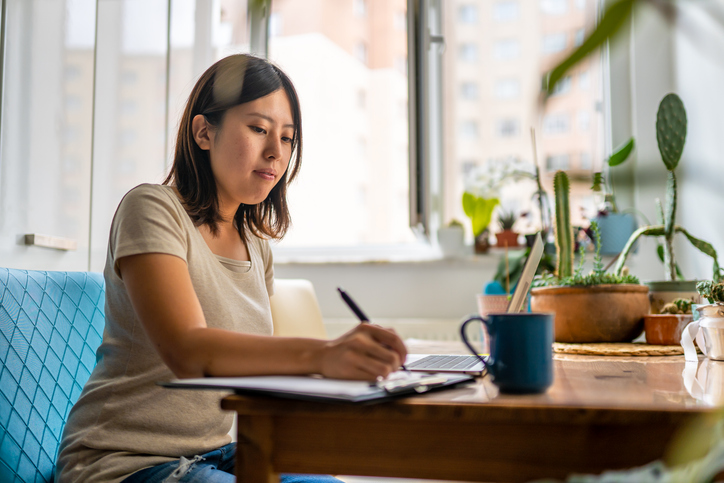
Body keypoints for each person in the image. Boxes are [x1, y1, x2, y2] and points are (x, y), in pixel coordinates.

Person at [56, 54, 407, 483]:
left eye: (288, 137)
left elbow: (255, 370)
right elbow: (188, 352)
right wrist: (324, 355)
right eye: (259, 129)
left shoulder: (257, 244)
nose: (276, 152)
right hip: (125, 461)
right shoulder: (151, 208)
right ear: (204, 132)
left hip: (218, 453)